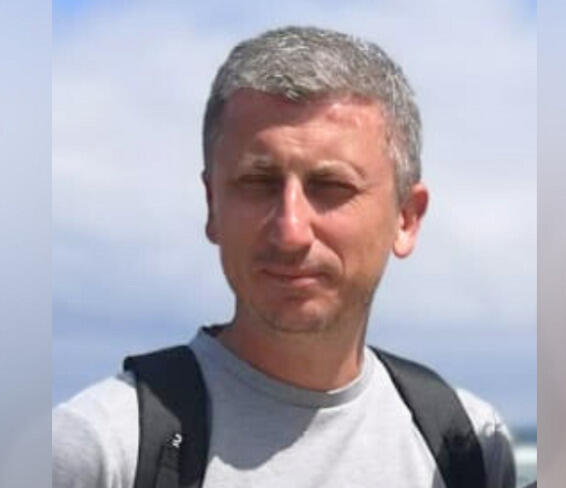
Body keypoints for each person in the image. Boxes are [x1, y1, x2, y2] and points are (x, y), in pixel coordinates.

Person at [53, 26, 516, 488]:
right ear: (212, 205)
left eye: (331, 187)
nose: (290, 231)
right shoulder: (99, 451)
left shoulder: (466, 447)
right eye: (258, 184)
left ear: (406, 218)